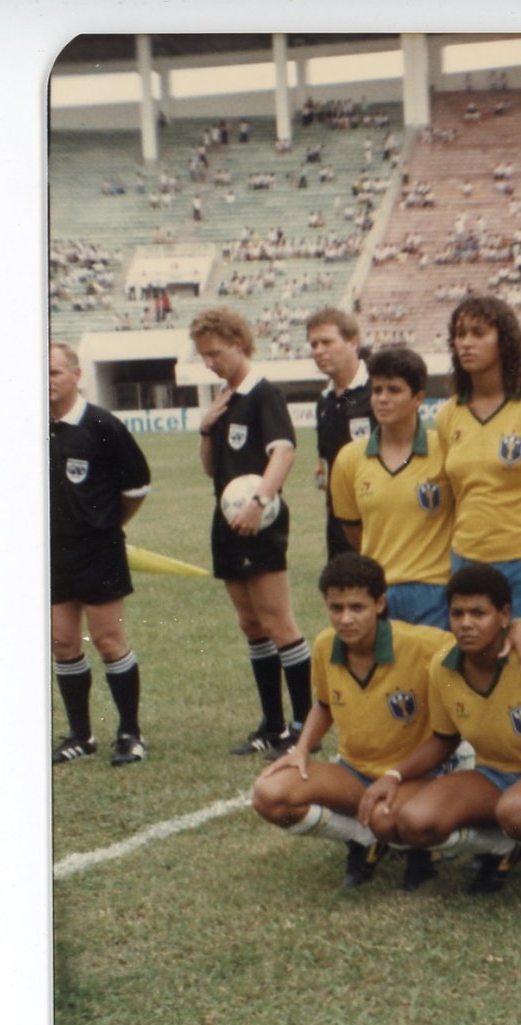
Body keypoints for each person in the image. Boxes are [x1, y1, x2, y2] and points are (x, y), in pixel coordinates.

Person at [365, 564, 521, 897]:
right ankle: (501, 848)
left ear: (504, 616)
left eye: (479, 613)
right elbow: (444, 740)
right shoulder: (443, 665)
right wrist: (394, 776)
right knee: (413, 821)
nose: (466, 623)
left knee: (515, 812)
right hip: (493, 773)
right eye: (457, 614)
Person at [251, 554, 453, 889]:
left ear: (379, 603)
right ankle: (363, 839)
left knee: (389, 819)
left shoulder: (422, 644)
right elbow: (325, 704)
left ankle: (420, 849)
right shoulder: (325, 645)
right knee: (269, 795)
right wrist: (301, 749)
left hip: (415, 774)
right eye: (336, 608)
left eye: (357, 607)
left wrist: (518, 629)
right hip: (355, 770)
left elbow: (477, 648)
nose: (345, 619)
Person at [192, 308, 312, 756]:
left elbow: (283, 452)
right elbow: (212, 469)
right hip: (225, 522)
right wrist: (206, 429)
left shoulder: (264, 395)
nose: (209, 362)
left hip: (259, 521)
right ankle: (272, 725)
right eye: (203, 356)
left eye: (215, 353)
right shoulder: (224, 400)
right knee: (250, 624)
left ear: (239, 345)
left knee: (278, 622)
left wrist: (259, 502)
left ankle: (303, 725)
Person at [433, 294, 521, 631]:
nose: (466, 343)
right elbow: (452, 499)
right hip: (468, 559)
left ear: (504, 341)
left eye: (478, 333)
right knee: (479, 668)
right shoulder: (450, 413)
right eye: (460, 335)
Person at [49, 341, 152, 766]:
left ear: (76, 375)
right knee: (62, 640)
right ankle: (81, 734)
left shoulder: (102, 424)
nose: (47, 381)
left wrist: (108, 525)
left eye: (54, 372)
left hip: (99, 549)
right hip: (52, 553)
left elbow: (137, 487)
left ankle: (130, 733)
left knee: (109, 640)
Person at [330, 345, 452, 628]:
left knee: (432, 672)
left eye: (394, 390)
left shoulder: (444, 450)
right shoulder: (350, 458)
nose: (382, 399)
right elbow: (352, 528)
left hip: (436, 591)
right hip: (378, 592)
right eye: (377, 390)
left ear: (418, 398)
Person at [308, 308, 371, 560]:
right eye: (313, 344)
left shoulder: (380, 389)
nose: (318, 351)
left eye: (327, 342)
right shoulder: (328, 400)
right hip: (338, 523)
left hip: (379, 522)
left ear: (352, 342)